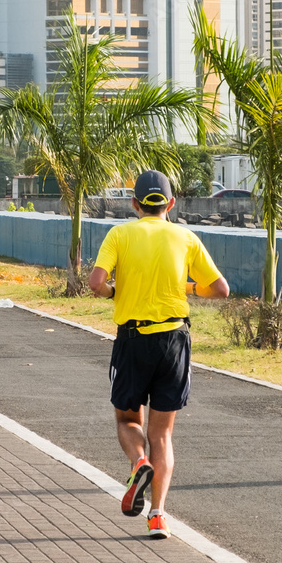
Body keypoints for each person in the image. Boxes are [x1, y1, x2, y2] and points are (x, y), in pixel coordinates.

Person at [89, 170, 230, 539]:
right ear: (170, 204)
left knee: (126, 419)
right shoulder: (185, 237)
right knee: (163, 435)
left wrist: (113, 293)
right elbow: (221, 290)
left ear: (134, 204)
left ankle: (139, 463)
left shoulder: (120, 234)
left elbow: (95, 283)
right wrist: (188, 287)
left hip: (133, 340)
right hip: (174, 340)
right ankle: (158, 517)